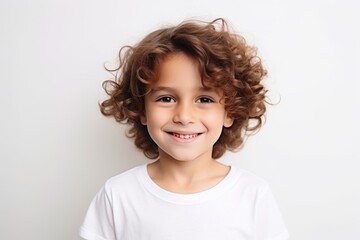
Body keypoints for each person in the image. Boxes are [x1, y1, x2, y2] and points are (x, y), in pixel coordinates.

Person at [79, 18, 289, 240]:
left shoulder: (252, 195)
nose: (184, 116)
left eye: (205, 99)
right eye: (166, 98)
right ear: (141, 109)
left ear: (230, 112)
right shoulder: (118, 195)